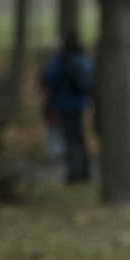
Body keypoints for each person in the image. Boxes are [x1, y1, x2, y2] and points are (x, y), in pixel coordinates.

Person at [41, 30, 94, 183]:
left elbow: (52, 78)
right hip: (80, 101)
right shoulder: (82, 56)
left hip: (66, 102)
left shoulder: (62, 59)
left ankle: (73, 172)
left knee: (70, 139)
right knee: (80, 137)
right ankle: (85, 169)